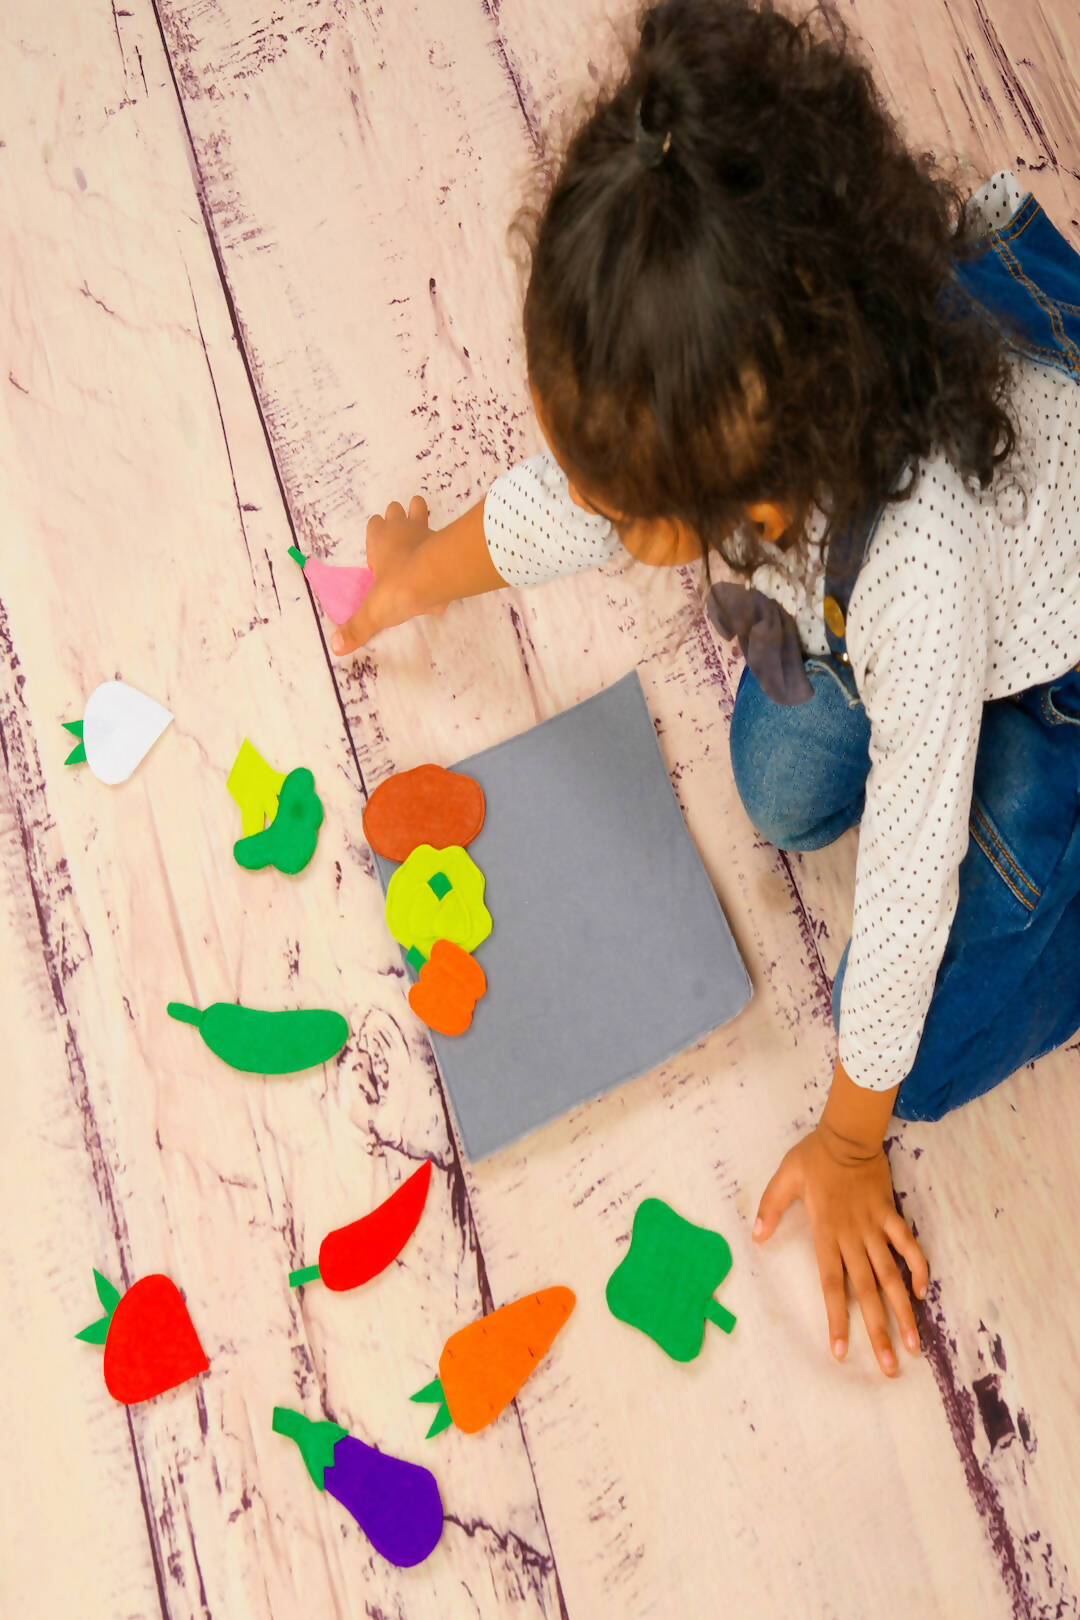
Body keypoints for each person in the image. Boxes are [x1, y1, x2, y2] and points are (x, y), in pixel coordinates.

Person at [329, 0, 1080, 1379]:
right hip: (873, 591)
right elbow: (568, 511)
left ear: (740, 489)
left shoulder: (919, 569)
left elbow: (910, 875)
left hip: (1053, 656)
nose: (592, 502)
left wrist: (854, 1138)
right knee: (780, 798)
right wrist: (415, 577)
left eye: (623, 494)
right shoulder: (761, 385)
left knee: (928, 1034)